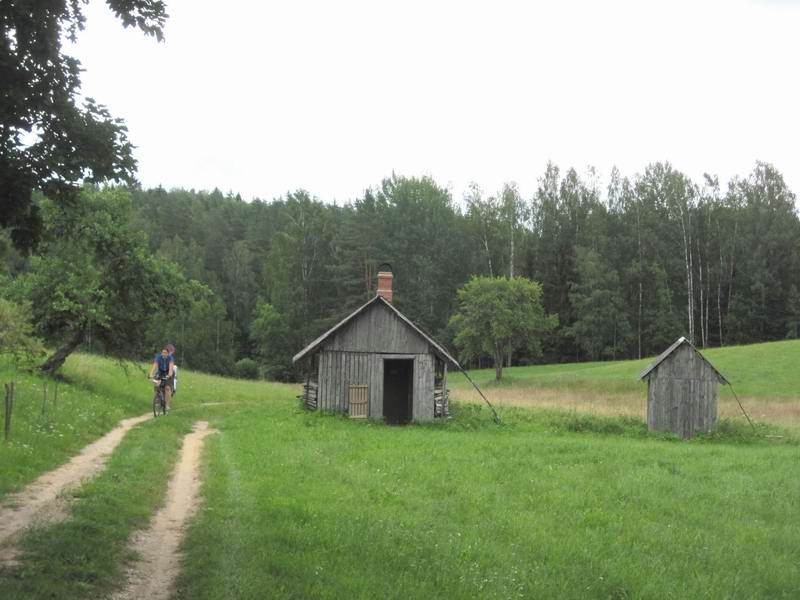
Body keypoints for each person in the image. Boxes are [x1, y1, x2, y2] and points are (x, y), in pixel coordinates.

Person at [148, 346, 175, 411]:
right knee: (157, 383)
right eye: (162, 352)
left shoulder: (170, 358)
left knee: (167, 388)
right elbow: (155, 366)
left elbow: (171, 368)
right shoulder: (158, 357)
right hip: (161, 372)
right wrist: (151, 374)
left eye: (165, 353)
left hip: (169, 373)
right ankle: (157, 399)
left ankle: (167, 405)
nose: (163, 354)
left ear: (168, 354)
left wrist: (169, 375)